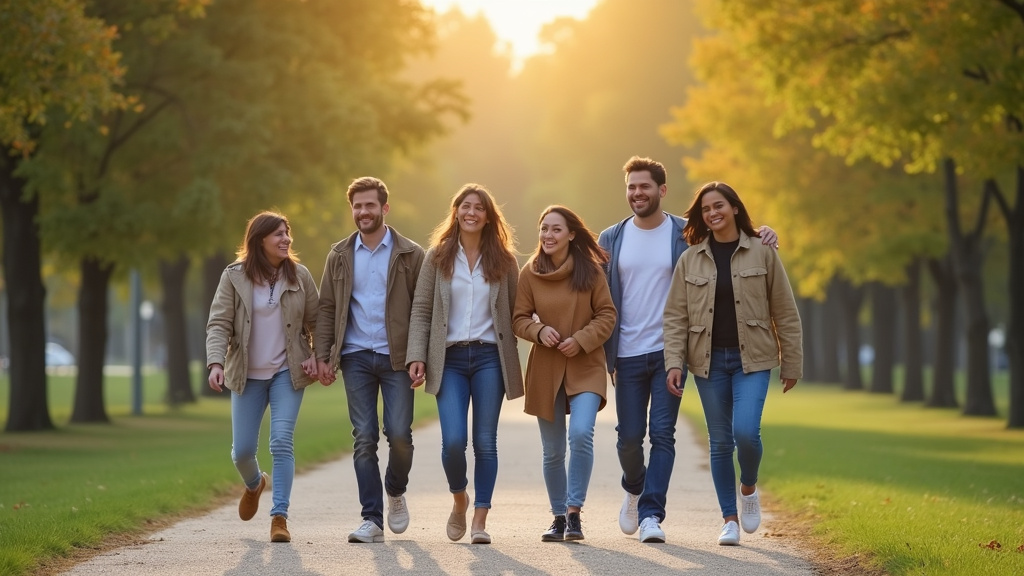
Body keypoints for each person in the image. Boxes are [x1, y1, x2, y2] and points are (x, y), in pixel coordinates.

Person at [598, 156, 778, 543]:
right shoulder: (610, 238)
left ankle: (651, 514)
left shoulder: (686, 235)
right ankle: (634, 489)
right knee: (629, 438)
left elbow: (730, 238)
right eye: (631, 186)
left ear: (662, 190)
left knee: (663, 434)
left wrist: (765, 232)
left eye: (645, 186)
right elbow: (591, 289)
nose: (637, 193)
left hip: (671, 354)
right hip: (626, 353)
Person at [663, 181, 802, 546]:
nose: (713, 213)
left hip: (752, 360)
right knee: (721, 442)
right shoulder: (690, 258)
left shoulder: (763, 251)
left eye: (719, 205)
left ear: (735, 208)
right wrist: (673, 362)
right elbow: (675, 317)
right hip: (707, 363)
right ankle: (729, 519)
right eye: (706, 209)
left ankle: (749, 486)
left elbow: (784, 311)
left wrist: (792, 362)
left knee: (745, 433)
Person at [406, 184, 523, 545]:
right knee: (454, 441)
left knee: (485, 441)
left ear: (489, 216)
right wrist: (417, 355)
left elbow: (518, 312)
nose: (471, 212)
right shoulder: (437, 256)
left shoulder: (505, 261)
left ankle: (480, 520)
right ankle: (460, 499)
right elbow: (422, 310)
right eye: (465, 206)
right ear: (456, 212)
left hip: (490, 357)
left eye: (479, 207)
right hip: (450, 359)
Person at [314, 177, 425, 544]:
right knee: (363, 438)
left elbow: (422, 309)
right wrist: (324, 355)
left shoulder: (411, 255)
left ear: (384, 209)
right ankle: (371, 518)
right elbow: (327, 308)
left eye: (370, 205)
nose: (363, 212)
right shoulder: (339, 255)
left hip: (397, 358)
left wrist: (417, 356)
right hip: (356, 356)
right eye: (357, 206)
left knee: (399, 435)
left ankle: (395, 491)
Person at [206, 211, 320, 543]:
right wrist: (216, 363)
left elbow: (317, 322)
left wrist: (317, 355)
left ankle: (279, 517)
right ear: (259, 241)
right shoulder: (234, 277)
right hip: (246, 375)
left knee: (281, 441)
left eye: (288, 233)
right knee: (241, 451)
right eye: (278, 235)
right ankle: (255, 483)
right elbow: (218, 323)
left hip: (288, 372)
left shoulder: (300, 277)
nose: (286, 239)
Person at [513, 206, 616, 542]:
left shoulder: (590, 271)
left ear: (571, 234)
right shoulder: (529, 272)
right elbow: (518, 318)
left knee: (582, 433)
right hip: (546, 367)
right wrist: (538, 332)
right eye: (544, 229)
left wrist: (582, 340)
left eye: (556, 229)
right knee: (553, 450)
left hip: (585, 364)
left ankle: (574, 514)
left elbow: (607, 315)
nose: (548, 236)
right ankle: (558, 517)